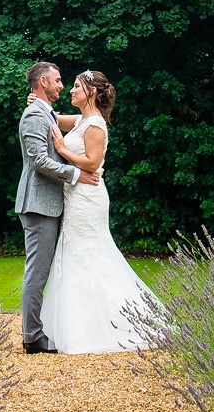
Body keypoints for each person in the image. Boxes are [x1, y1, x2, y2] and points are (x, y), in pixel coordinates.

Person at [37, 68, 165, 353]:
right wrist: (38, 102)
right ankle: (81, 321)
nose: (70, 91)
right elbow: (54, 119)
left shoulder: (95, 124)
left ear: (91, 92)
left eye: (76, 87)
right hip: (75, 195)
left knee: (89, 253)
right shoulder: (82, 119)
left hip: (88, 197)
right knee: (74, 252)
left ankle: (117, 323)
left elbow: (92, 163)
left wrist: (61, 148)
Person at [13, 61, 97, 354]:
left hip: (49, 203)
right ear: (43, 82)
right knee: (37, 272)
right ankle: (32, 336)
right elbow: (38, 160)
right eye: (58, 80)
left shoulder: (44, 111)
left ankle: (34, 330)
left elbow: (86, 120)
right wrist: (76, 174)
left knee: (41, 270)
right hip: (38, 204)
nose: (62, 85)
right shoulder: (34, 115)